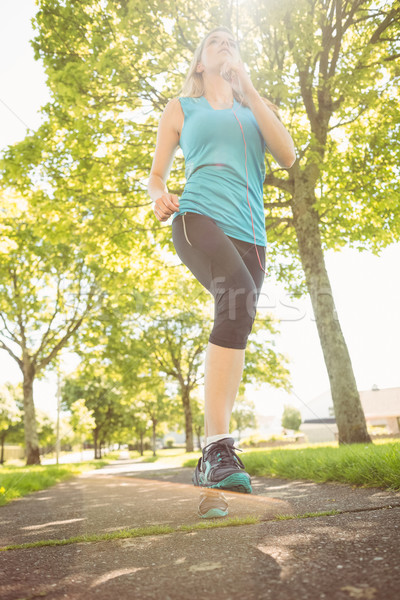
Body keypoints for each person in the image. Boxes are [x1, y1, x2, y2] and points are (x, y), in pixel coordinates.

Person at [147, 26, 295, 516]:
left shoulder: (253, 106)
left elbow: (289, 156)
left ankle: (216, 458)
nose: (224, 42)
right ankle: (217, 449)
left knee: (238, 315)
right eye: (213, 40)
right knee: (236, 295)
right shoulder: (180, 108)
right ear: (198, 62)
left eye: (231, 39)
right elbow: (156, 175)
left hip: (252, 236)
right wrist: (158, 197)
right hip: (199, 216)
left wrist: (250, 89)